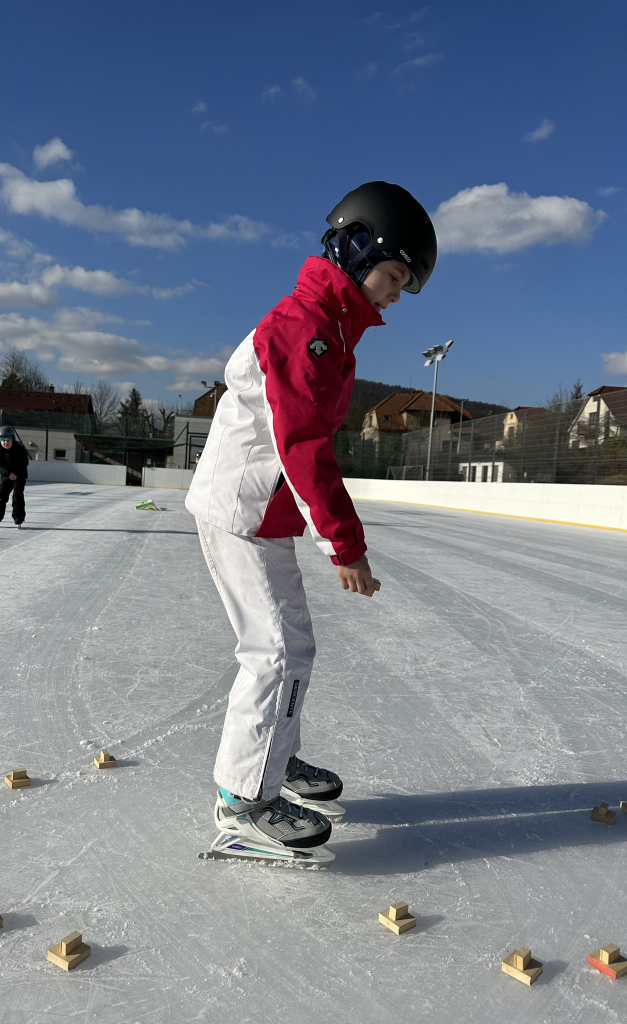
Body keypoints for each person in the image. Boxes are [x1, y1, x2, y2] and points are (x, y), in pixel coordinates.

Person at [186, 181, 437, 865]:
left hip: (256, 511)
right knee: (277, 653)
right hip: (243, 511)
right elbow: (303, 449)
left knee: (291, 648)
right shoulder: (304, 331)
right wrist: (344, 546)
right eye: (392, 276)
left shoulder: (326, 329)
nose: (393, 294)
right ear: (358, 253)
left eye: (402, 284)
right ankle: (243, 804)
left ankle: (273, 761)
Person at [0, 425, 30, 528]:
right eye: (3, 441)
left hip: (20, 476)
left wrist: (15, 474)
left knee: (17, 496)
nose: (5, 443)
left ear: (12, 440)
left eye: (8, 440)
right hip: (7, 477)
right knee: (1, 497)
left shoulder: (20, 449)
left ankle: (18, 517)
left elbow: (25, 462)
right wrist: (8, 473)